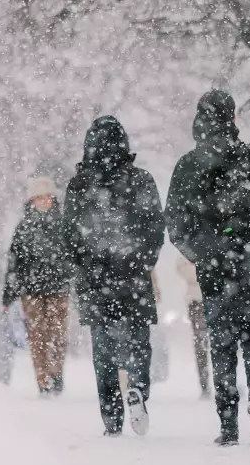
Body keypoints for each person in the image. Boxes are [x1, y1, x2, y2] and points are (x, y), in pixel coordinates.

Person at [164, 89, 250, 450]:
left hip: (216, 274)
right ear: (233, 119)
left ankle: (228, 423)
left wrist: (206, 254)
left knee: (221, 345)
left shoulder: (190, 166)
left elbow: (176, 224)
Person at [63, 116, 165, 438]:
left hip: (95, 280)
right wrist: (143, 260)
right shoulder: (140, 180)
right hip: (132, 277)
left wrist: (85, 263)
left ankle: (111, 418)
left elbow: (70, 235)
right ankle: (137, 388)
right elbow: (154, 226)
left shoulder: (79, 185)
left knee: (104, 349)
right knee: (138, 341)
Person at [1, 176, 73, 397]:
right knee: (37, 336)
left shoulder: (63, 224)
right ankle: (43, 380)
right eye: (38, 198)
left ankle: (56, 372)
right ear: (31, 201)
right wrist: (8, 295)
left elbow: (73, 256)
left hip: (58, 289)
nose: (43, 201)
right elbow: (14, 263)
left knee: (57, 334)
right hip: (31, 291)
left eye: (47, 197)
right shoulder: (24, 228)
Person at [176, 257, 211, 399]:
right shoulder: (187, 250)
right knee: (201, 344)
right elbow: (181, 268)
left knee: (207, 344)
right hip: (197, 301)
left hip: (208, 298)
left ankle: (215, 382)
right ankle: (205, 383)